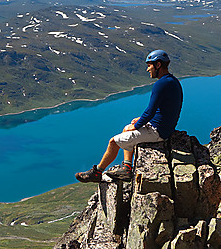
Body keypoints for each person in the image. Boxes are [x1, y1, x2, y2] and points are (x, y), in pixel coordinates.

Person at [75, 49, 183, 182]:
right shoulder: (172, 81)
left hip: (158, 132)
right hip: (163, 127)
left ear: (158, 65)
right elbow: (160, 110)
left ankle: (97, 173)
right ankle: (127, 167)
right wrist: (138, 122)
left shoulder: (161, 84)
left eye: (149, 65)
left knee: (113, 142)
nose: (148, 69)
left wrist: (138, 125)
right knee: (127, 128)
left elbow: (150, 111)